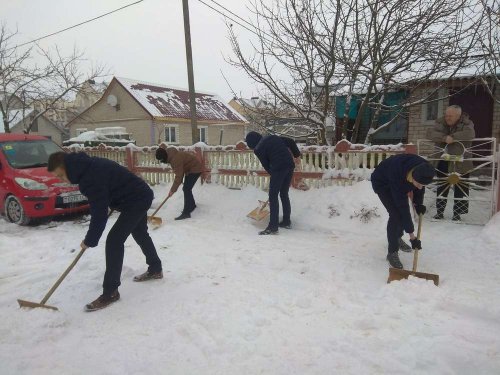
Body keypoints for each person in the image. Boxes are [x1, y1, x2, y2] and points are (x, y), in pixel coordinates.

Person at [47, 151, 163, 311]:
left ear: (67, 167)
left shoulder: (90, 177)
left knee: (114, 241)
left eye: (60, 175)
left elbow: (99, 213)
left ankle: (111, 292)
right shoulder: (87, 167)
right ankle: (156, 268)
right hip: (136, 196)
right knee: (140, 233)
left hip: (137, 200)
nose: (61, 180)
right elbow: (110, 188)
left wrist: (90, 239)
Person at [371, 154, 436, 269]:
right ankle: (392, 252)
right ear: (413, 177)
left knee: (401, 214)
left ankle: (397, 237)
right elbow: (403, 208)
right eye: (419, 184)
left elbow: (419, 189)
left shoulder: (423, 169)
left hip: (400, 179)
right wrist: (412, 236)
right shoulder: (398, 174)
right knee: (396, 215)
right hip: (382, 182)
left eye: (423, 185)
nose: (421, 187)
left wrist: (418, 204)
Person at [245, 131, 301, 235]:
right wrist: (297, 155)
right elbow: (291, 141)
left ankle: (273, 227)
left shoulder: (258, 149)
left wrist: (275, 177)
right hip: (289, 165)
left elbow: (266, 165)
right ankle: (286, 221)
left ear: (252, 144)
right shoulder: (272, 137)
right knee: (284, 194)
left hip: (278, 168)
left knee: (273, 195)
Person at [428, 105, 475, 221]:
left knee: (461, 187)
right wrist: (444, 138)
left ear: (458, 116)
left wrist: (453, 137)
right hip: (443, 159)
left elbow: (470, 134)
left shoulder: (467, 123)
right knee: (442, 186)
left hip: (461, 160)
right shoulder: (440, 122)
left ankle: (457, 214)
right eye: (446, 115)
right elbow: (429, 134)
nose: (447, 118)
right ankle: (439, 212)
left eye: (450, 116)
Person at [155, 147, 203, 220]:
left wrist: (172, 190)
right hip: (190, 169)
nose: (162, 162)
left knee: (186, 189)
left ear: (164, 157)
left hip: (195, 169)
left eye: (161, 160)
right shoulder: (170, 155)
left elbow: (179, 176)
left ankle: (186, 213)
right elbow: (180, 172)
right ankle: (192, 206)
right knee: (187, 188)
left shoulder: (175, 159)